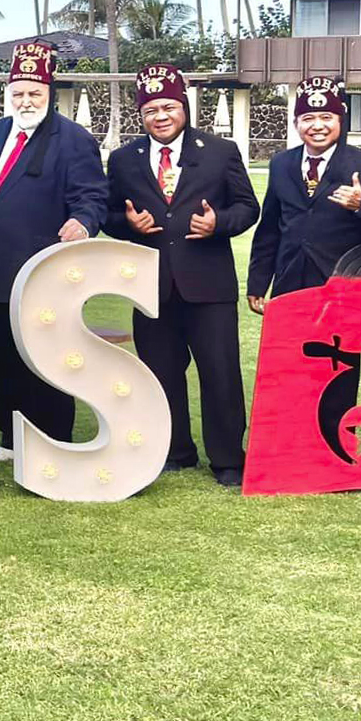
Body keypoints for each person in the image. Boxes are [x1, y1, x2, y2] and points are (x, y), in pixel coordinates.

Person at [105, 64, 260, 487]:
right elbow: (107, 214)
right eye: (152, 109)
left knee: (220, 372)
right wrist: (126, 224)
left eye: (169, 106)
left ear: (184, 107)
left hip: (208, 284)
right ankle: (175, 449)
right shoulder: (122, 160)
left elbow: (249, 207)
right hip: (149, 286)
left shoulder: (220, 151)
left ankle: (228, 458)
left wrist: (219, 223)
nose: (161, 116)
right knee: (160, 372)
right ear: (141, 114)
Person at [0, 41, 107, 460]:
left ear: (49, 94)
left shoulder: (72, 139)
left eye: (34, 93)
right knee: (0, 356)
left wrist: (85, 221)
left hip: (38, 271)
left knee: (45, 359)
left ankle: (55, 438)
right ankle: (10, 437)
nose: (25, 101)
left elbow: (92, 196)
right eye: (18, 93)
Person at [248, 76, 361, 450]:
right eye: (308, 117)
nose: (317, 125)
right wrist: (258, 282)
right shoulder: (281, 164)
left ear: (341, 120)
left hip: (345, 289)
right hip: (292, 286)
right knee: (291, 370)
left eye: (325, 116)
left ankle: (336, 450)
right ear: (296, 123)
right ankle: (292, 448)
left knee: (339, 375)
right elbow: (270, 228)